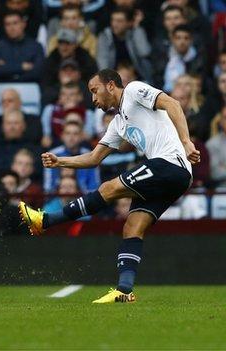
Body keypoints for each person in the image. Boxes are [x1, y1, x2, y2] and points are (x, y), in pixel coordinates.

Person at [19, 69, 200, 303]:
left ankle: (46, 221)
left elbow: (172, 103)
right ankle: (125, 289)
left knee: (108, 188)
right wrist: (60, 161)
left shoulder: (134, 90)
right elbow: (94, 158)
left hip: (170, 163)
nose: (93, 98)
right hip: (173, 177)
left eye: (95, 91)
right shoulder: (118, 124)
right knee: (132, 227)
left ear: (111, 85)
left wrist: (186, 141)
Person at [0, 11, 44, 83]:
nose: (12, 28)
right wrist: (22, 66)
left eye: (15, 23)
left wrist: (6, 66)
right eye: (7, 24)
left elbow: (37, 72)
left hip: (28, 85)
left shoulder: (36, 46)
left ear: (23, 24)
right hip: (3, 86)